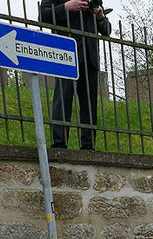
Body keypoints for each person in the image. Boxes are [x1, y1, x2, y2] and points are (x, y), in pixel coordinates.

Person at [39, 0, 112, 151]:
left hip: (90, 57)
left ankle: (88, 145)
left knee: (89, 104)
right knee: (63, 98)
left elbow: (106, 30)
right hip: (67, 55)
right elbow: (43, 16)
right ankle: (59, 143)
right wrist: (66, 7)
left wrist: (99, 16)